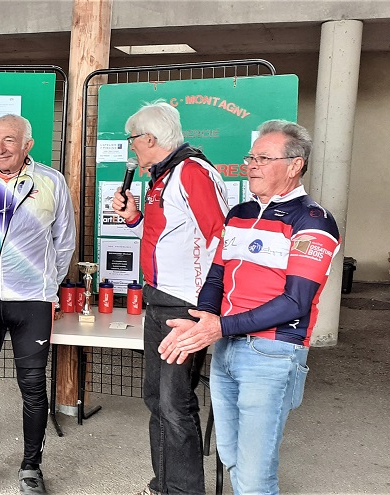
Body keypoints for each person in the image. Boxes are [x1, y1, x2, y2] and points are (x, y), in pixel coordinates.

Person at [160, 120, 340, 494]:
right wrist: (206, 317)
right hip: (227, 345)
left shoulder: (313, 221)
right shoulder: (239, 212)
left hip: (272, 352)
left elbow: (296, 302)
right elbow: (216, 274)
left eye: (263, 157)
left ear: (295, 165)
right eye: (250, 156)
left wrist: (219, 328)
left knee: (256, 475)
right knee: (230, 457)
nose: (251, 164)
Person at [111, 100, 228, 495]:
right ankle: (165, 484)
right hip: (159, 298)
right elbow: (168, 236)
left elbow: (221, 238)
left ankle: (184, 491)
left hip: (186, 304)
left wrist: (207, 306)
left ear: (149, 138)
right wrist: (133, 218)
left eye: (133, 141)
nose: (131, 150)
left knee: (175, 403)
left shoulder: (192, 172)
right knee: (156, 399)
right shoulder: (163, 175)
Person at [0, 114, 75, 495]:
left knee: (33, 387)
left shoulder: (51, 181)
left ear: (28, 145)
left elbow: (64, 241)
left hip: (32, 302)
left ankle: (30, 466)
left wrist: (42, 284)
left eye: (9, 140)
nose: (0, 148)